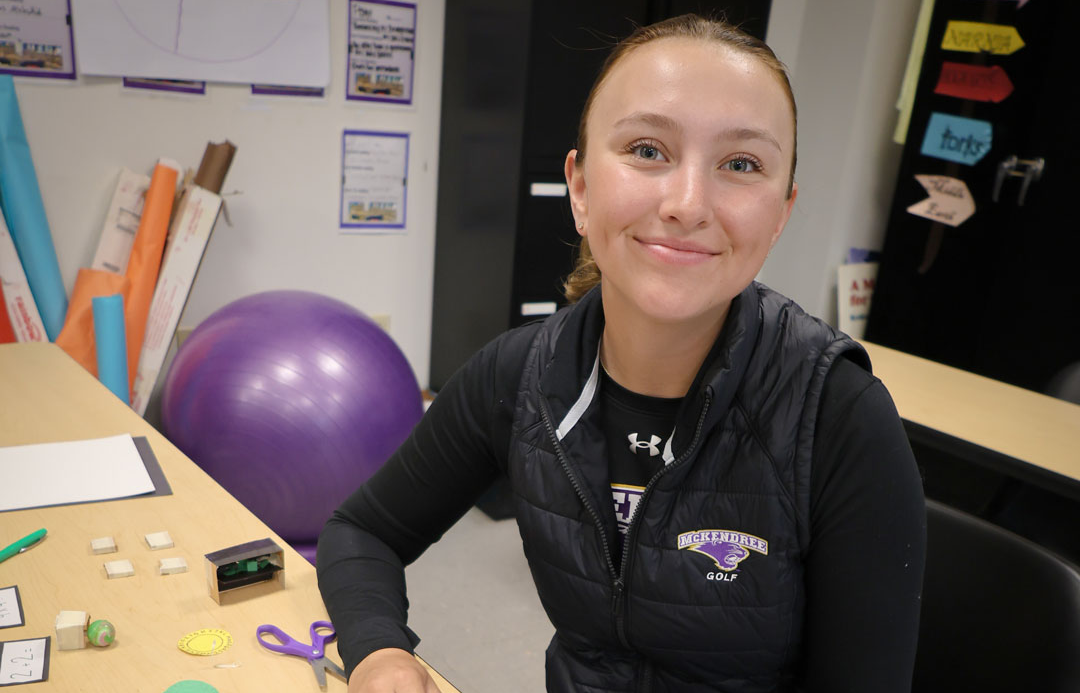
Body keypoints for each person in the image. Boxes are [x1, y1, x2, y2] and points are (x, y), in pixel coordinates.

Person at [318, 14, 925, 693]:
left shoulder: (840, 417)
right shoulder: (519, 376)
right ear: (579, 188)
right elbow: (360, 530)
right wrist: (379, 654)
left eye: (741, 164)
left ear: (780, 213)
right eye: (646, 149)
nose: (687, 203)